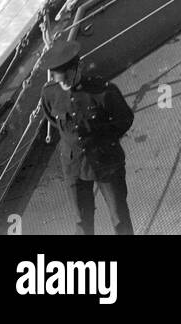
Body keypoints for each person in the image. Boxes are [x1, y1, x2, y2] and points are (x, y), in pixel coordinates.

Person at [38, 40, 135, 236]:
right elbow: (54, 119)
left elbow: (124, 119)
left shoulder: (103, 91)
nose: (63, 81)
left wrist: (102, 142)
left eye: (67, 76)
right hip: (73, 165)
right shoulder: (50, 93)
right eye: (59, 77)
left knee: (119, 216)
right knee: (81, 220)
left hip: (106, 161)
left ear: (79, 67)